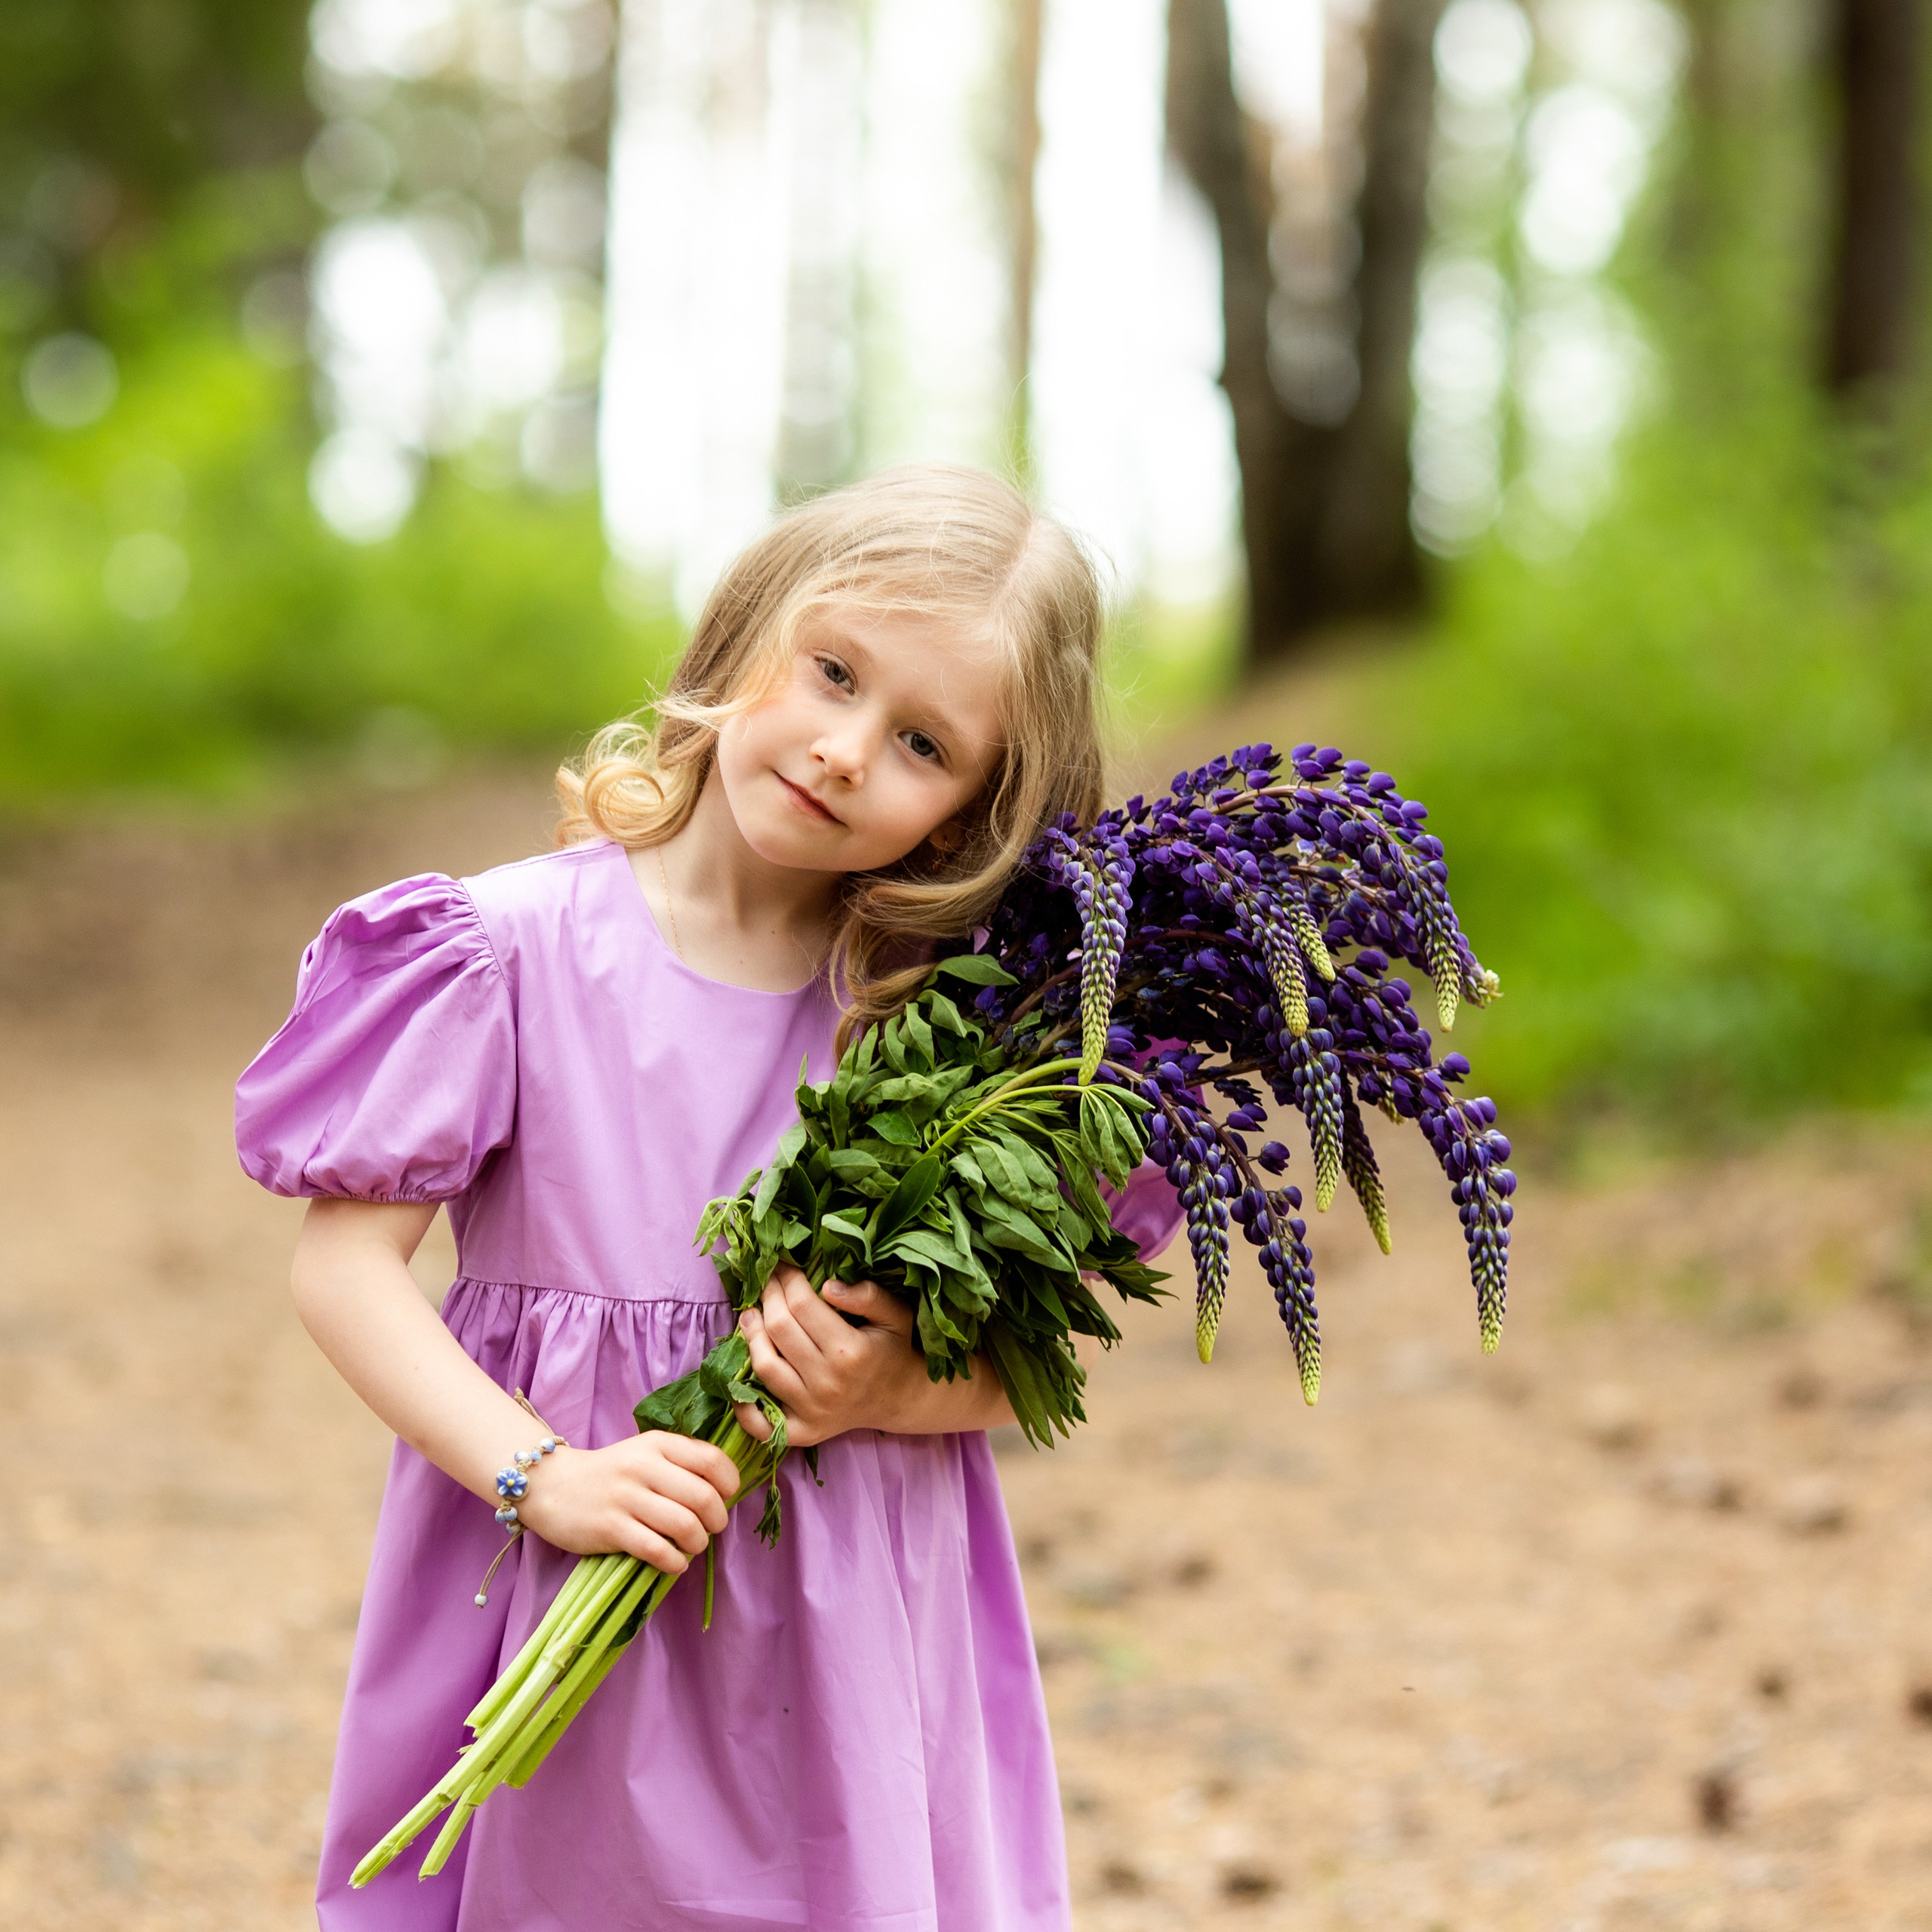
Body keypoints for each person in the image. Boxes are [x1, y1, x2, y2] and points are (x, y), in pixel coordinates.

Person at [235, 463, 1180, 1931]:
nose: (845, 747)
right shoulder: (509, 954)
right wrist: (538, 1470)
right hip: (562, 1563)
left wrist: (883, 1383)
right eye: (831, 672)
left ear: (970, 813)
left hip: (845, 1637)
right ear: (745, 634)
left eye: (921, 741)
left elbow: (1025, 1373)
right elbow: (343, 1270)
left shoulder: (956, 1035)